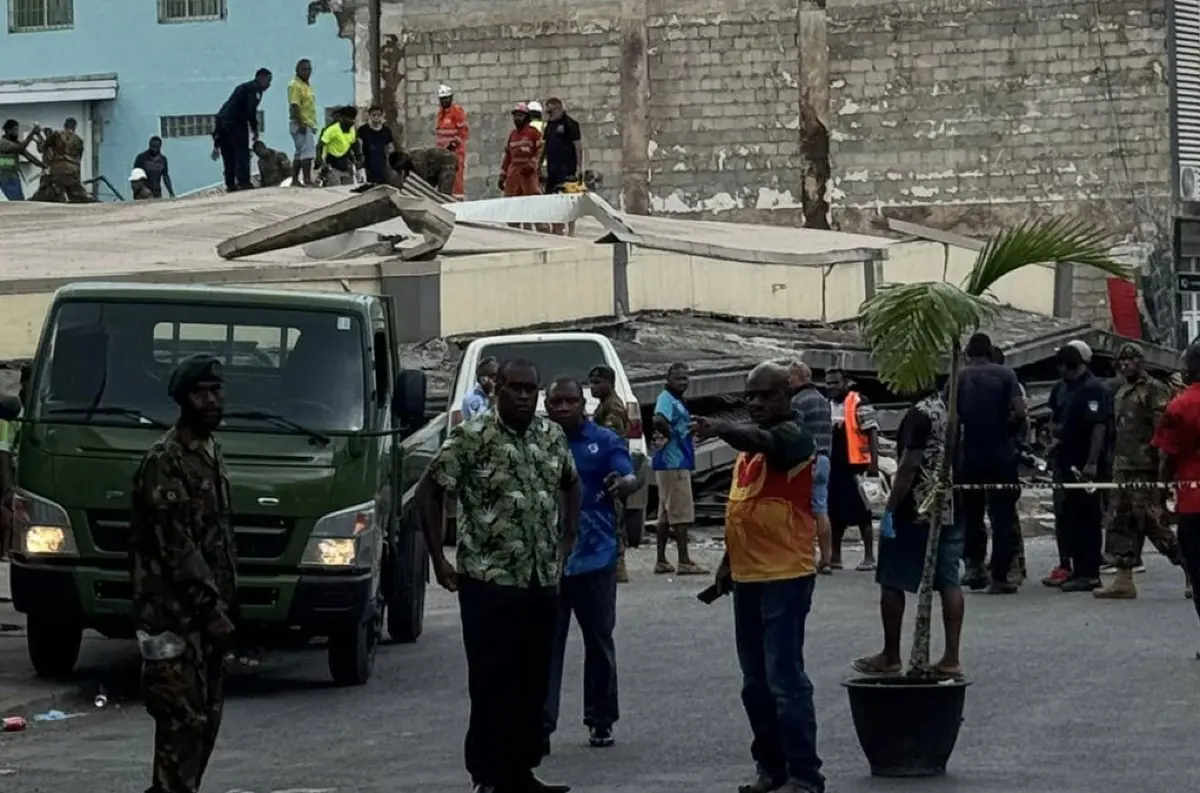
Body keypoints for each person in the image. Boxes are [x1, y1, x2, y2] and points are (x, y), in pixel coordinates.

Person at [417, 357, 578, 793]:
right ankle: (487, 775)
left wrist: (567, 539)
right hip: (489, 580)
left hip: (539, 579)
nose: (524, 396)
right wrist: (439, 559)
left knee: (533, 680)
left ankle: (521, 771)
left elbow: (570, 482)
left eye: (531, 389)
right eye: (515, 388)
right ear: (496, 390)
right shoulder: (472, 437)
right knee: (492, 682)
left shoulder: (551, 435)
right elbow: (428, 491)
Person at [696, 362, 824, 793]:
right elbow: (741, 510)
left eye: (766, 395)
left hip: (785, 575)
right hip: (749, 578)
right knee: (755, 684)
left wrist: (720, 427)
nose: (756, 403)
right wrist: (726, 567)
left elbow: (765, 439)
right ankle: (771, 768)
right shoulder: (748, 454)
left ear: (788, 395)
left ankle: (805, 776)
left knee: (784, 679)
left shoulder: (793, 437)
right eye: (750, 397)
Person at [130, 354, 237, 793]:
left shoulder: (210, 453)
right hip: (172, 619)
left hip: (205, 623)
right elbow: (176, 545)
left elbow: (217, 540)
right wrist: (210, 607)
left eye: (215, 391)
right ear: (182, 400)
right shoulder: (165, 460)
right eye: (200, 393)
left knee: (205, 722)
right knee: (181, 725)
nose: (210, 400)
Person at [542, 377, 637, 753]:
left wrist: (625, 482)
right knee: (547, 647)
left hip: (596, 558)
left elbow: (628, 473)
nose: (563, 408)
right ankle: (541, 725)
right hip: (548, 562)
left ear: (582, 404)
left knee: (598, 641)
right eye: (556, 402)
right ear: (547, 407)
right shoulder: (538, 442)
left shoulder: (605, 441)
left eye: (569, 401)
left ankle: (601, 720)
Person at [855, 383, 964, 680]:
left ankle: (891, 655)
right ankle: (951, 657)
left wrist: (890, 507)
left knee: (891, 578)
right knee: (949, 580)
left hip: (916, 508)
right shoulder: (953, 412)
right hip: (952, 506)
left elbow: (908, 465)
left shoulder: (921, 413)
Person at [1095, 343, 1185, 599]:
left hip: (1146, 468)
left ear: (1141, 362)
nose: (1125, 365)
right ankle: (1124, 580)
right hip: (1123, 467)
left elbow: (1164, 431)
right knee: (1119, 522)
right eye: (1122, 361)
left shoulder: (1154, 390)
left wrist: (1163, 476)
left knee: (1152, 523)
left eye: (1131, 360)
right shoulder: (1122, 391)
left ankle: (1189, 568)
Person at [956, 333, 1025, 594]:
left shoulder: (959, 378)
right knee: (1003, 517)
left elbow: (951, 419)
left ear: (967, 353)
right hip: (1001, 456)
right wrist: (1007, 432)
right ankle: (1000, 576)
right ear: (989, 351)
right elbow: (1020, 411)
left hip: (970, 456)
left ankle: (974, 569)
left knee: (971, 514)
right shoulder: (1006, 375)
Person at [1049, 343, 1112, 592]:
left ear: (1067, 366)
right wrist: (1055, 442)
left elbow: (1099, 427)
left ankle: (1089, 572)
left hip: (1086, 465)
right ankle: (1075, 567)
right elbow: (1058, 421)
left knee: (1088, 517)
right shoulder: (1062, 389)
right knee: (1070, 517)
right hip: (1066, 462)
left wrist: (1092, 462)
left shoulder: (1093, 389)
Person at [1153, 343, 1200, 647]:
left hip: (1194, 504)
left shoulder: (1180, 406)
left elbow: (1169, 455)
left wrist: (1159, 491)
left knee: (1199, 571)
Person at [651, 363, 707, 576]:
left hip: (670, 463)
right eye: (678, 378)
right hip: (673, 462)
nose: (682, 382)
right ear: (668, 379)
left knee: (665, 514)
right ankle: (684, 561)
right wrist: (674, 435)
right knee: (680, 513)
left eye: (685, 378)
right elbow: (658, 419)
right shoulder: (666, 398)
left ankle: (661, 560)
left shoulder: (675, 400)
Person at [824, 368, 879, 571]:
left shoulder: (858, 402)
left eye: (835, 383)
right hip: (835, 465)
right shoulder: (828, 405)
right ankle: (835, 556)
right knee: (834, 511)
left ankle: (869, 557)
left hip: (856, 466)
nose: (831, 387)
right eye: (828, 383)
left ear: (845, 383)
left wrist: (873, 463)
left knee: (862, 511)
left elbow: (872, 431)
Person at [787, 360, 833, 573]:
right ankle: (826, 558)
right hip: (824, 459)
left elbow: (796, 434)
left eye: (791, 377)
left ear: (801, 377)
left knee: (802, 512)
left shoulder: (798, 401)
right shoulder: (823, 400)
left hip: (807, 461)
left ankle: (805, 557)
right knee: (821, 510)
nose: (788, 382)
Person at [589, 365, 631, 584]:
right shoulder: (604, 405)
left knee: (614, 517)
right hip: (608, 470)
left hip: (612, 471)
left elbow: (609, 438)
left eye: (597, 382)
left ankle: (619, 565)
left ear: (609, 382)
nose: (592, 387)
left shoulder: (612, 407)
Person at [213, 68, 271, 192]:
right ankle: (244, 182)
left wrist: (217, 141)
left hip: (222, 122)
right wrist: (254, 129)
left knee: (228, 155)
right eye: (268, 80)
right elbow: (251, 110)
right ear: (262, 78)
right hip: (236, 123)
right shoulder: (255, 89)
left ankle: (230, 184)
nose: (269, 85)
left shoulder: (244, 87)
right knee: (241, 153)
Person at [542, 98, 584, 235]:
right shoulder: (549, 125)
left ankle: (571, 230)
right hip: (552, 169)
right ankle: (557, 227)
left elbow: (578, 146)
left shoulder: (570, 124)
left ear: (559, 109)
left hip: (567, 168)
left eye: (551, 111)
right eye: (547, 111)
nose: (549, 114)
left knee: (569, 200)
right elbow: (544, 146)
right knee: (552, 199)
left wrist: (579, 167)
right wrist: (538, 165)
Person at [31, 118, 92, 203]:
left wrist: (38, 139)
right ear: (75, 127)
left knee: (45, 189)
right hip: (73, 171)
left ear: (64, 126)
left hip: (57, 170)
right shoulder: (79, 140)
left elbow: (42, 148)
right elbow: (79, 160)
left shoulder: (57, 135)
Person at [500, 102, 542, 200]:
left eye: (520, 116)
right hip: (513, 172)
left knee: (532, 198)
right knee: (511, 199)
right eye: (515, 116)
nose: (517, 118)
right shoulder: (513, 135)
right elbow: (508, 156)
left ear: (526, 117)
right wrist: (502, 174)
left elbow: (540, 151)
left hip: (528, 172)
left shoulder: (534, 133)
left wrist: (533, 165)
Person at [435, 84, 469, 199]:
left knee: (456, 180)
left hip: (455, 153)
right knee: (444, 180)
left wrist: (454, 144)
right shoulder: (441, 114)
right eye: (442, 99)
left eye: (447, 98)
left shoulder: (457, 112)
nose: (445, 101)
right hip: (442, 154)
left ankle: (458, 202)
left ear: (451, 98)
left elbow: (463, 132)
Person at [287, 58, 318, 186]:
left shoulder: (307, 86)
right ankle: (306, 180)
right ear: (297, 70)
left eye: (309, 69)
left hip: (307, 123)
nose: (307, 72)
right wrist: (301, 124)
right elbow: (295, 106)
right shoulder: (295, 85)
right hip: (301, 124)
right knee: (307, 154)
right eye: (304, 69)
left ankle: (295, 180)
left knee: (300, 153)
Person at [316, 106, 359, 186]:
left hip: (345, 165)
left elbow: (351, 146)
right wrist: (320, 160)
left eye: (353, 118)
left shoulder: (352, 130)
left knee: (349, 191)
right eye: (348, 118)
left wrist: (356, 161)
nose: (351, 121)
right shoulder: (331, 130)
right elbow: (319, 146)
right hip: (332, 164)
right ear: (342, 118)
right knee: (334, 190)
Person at [388, 147, 458, 195]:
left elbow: (421, 183)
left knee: (443, 194)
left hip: (447, 163)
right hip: (433, 168)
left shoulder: (416, 161)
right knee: (429, 192)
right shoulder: (408, 160)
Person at [1, 119, 42, 201]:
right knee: (17, 201)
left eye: (17, 129)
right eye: (15, 129)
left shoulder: (14, 143)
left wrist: (44, 166)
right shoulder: (3, 143)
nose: (17, 132)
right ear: (8, 131)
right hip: (5, 177)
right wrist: (32, 133)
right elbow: (21, 148)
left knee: (19, 201)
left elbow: (29, 157)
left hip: (13, 176)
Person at [357, 105, 395, 186]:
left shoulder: (386, 131)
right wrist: (360, 165)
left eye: (379, 115)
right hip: (367, 165)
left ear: (382, 116)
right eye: (374, 115)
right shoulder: (363, 130)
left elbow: (390, 148)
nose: (376, 117)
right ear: (369, 116)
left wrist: (391, 164)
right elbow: (359, 147)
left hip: (382, 166)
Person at [460, 357, 499, 421]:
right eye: (494, 376)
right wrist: (493, 400)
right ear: (483, 380)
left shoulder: (505, 394)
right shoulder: (470, 399)